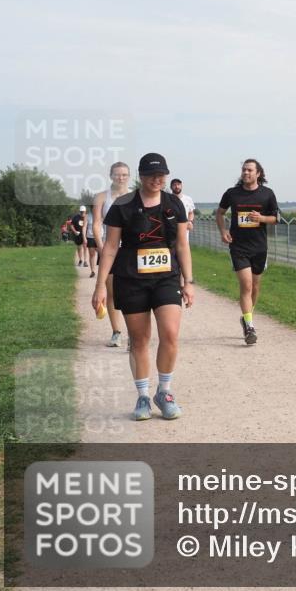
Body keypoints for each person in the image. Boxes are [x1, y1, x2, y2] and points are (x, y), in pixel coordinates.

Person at [92, 153, 194, 421]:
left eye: (161, 175)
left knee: (170, 334)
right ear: (141, 176)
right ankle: (143, 396)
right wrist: (101, 285)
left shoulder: (175, 204)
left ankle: (165, 392)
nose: (157, 179)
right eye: (151, 175)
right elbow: (112, 247)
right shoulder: (123, 205)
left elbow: (182, 245)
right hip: (131, 278)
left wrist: (189, 282)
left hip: (166, 278)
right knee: (139, 340)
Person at [215, 159, 279, 346]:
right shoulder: (232, 193)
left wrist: (262, 218)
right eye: (243, 170)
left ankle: (247, 317)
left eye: (250, 170)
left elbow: (276, 218)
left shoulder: (267, 194)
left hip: (259, 247)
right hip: (238, 247)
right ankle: (250, 326)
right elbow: (219, 213)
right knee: (247, 285)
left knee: (256, 287)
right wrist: (223, 231)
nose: (246, 173)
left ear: (258, 173)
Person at [93, 162, 131, 348]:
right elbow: (97, 224)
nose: (120, 178)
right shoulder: (101, 197)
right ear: (111, 176)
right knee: (112, 292)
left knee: (132, 293)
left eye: (124, 175)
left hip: (131, 250)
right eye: (117, 174)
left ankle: (134, 333)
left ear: (129, 176)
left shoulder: (135, 196)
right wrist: (101, 248)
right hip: (109, 249)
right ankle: (117, 332)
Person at [170, 178, 196, 247]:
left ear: (181, 186)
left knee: (183, 249)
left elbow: (191, 212)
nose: (177, 187)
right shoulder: (168, 199)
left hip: (184, 230)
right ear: (171, 187)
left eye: (178, 184)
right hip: (171, 230)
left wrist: (190, 221)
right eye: (174, 185)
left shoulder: (188, 199)